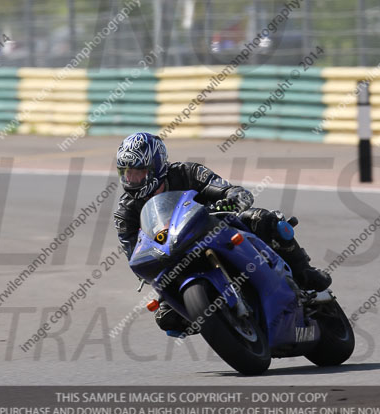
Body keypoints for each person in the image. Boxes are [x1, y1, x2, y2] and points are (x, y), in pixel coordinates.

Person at [113, 131, 331, 335]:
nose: (131, 179)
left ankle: (304, 271)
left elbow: (220, 186)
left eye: (138, 172)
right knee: (166, 317)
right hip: (173, 256)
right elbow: (135, 254)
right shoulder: (125, 213)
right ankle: (219, 321)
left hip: (215, 226)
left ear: (157, 167)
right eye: (126, 173)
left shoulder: (187, 173)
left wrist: (234, 195)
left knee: (268, 221)